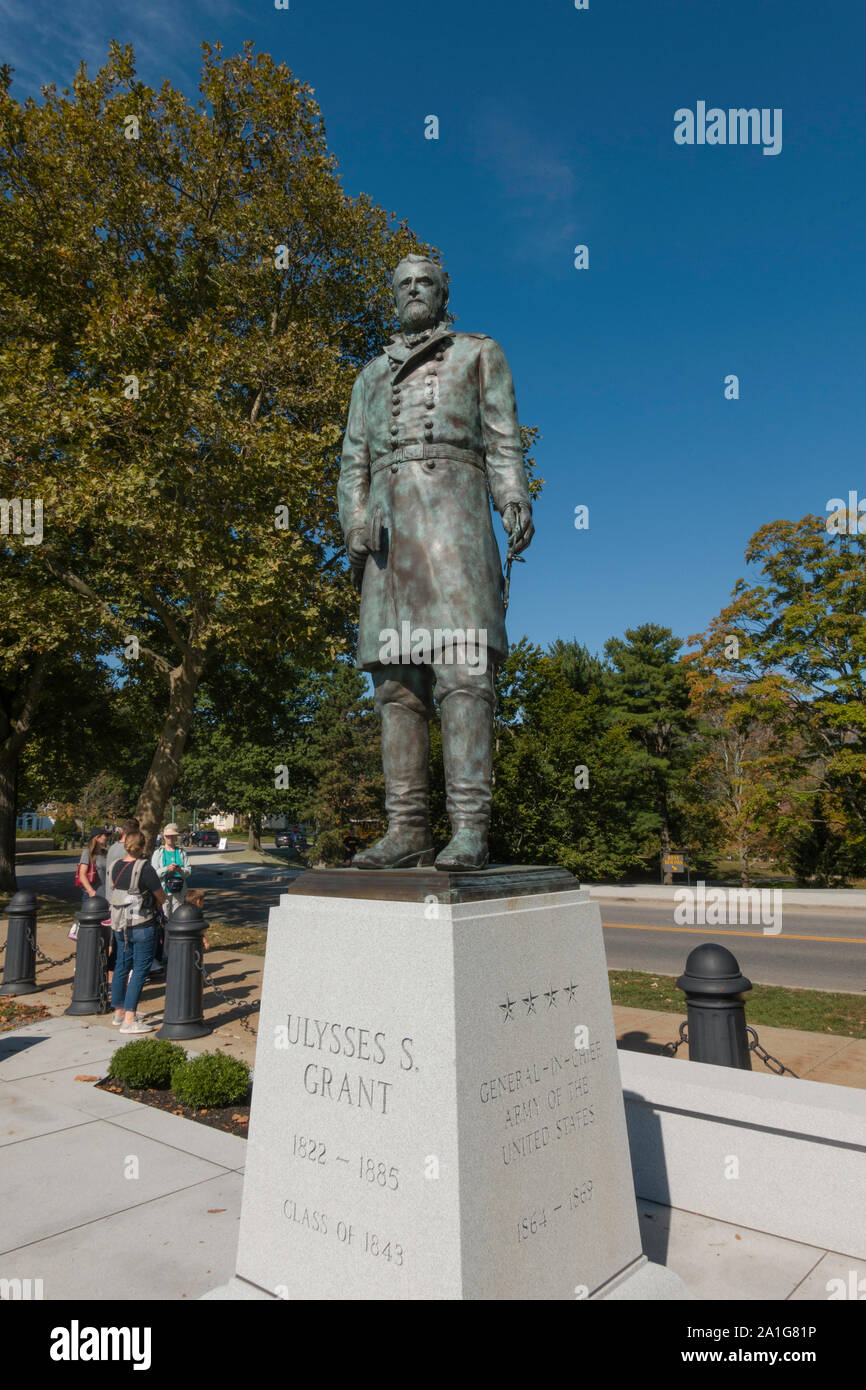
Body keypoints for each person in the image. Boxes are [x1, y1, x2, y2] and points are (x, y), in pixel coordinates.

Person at [338, 254, 534, 870]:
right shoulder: (370, 375)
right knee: (396, 682)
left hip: (454, 519)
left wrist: (512, 497)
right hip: (391, 534)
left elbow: (503, 438)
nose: (415, 290)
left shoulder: (479, 353)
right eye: (404, 283)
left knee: (463, 670)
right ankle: (408, 831)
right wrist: (354, 520)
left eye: (426, 281)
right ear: (393, 296)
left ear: (445, 292)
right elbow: (354, 460)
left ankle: (470, 828)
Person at [107, 830, 165, 1033]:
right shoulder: (144, 868)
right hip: (142, 923)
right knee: (140, 969)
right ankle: (130, 1019)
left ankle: (118, 1011)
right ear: (143, 847)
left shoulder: (115, 866)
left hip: (120, 924)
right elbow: (160, 896)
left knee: (122, 965)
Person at [150, 823, 191, 969]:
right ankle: (165, 952)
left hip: (178, 891)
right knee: (165, 921)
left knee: (177, 920)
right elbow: (154, 872)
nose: (170, 839)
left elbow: (188, 871)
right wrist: (166, 869)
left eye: (173, 836)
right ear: (164, 837)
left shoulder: (181, 852)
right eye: (168, 836)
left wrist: (179, 869)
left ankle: (177, 950)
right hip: (164, 891)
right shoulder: (158, 853)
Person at [77, 829, 108, 908]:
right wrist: (91, 891)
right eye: (105, 835)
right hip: (92, 893)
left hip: (104, 891)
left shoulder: (105, 853)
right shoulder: (87, 853)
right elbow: (82, 874)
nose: (106, 838)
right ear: (97, 838)